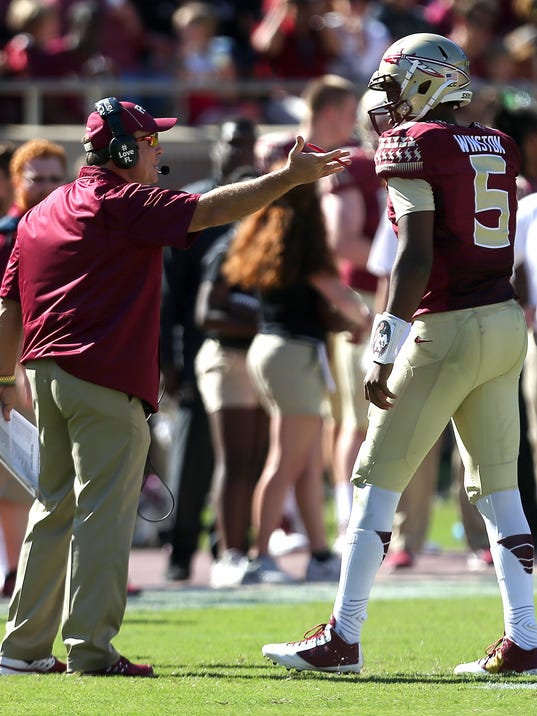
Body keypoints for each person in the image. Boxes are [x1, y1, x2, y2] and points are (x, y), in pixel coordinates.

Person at [0, 96, 349, 677]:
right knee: (102, 513)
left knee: (53, 509)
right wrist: (287, 178)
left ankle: (22, 647)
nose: (155, 151)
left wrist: (5, 378)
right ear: (119, 149)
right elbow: (209, 211)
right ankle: (91, 649)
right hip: (101, 375)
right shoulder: (120, 201)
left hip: (45, 376)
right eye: (148, 142)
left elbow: (8, 304)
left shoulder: (43, 211)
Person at [262, 33, 537, 676]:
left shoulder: (413, 144)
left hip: (447, 325)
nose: (384, 94)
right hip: (502, 324)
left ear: (430, 81)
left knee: (373, 480)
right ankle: (525, 638)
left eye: (395, 80)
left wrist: (385, 340)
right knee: (502, 492)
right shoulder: (499, 143)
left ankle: (342, 637)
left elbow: (414, 253)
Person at [222, 174, 370, 584]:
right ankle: (259, 556)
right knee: (285, 461)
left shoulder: (274, 240)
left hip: (274, 351)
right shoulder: (304, 246)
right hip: (291, 355)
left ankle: (319, 554)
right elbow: (340, 294)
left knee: (303, 463)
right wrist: (371, 318)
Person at [160, 117, 259, 583]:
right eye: (232, 142)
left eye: (247, 144)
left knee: (244, 454)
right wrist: (170, 359)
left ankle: (230, 544)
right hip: (202, 347)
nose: (240, 152)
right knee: (193, 452)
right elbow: (170, 294)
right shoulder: (191, 205)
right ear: (216, 148)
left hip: (254, 349)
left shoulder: (260, 202)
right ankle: (180, 549)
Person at [0, 139, 67, 599]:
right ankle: (17, 571)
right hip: (18, 365)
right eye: (35, 177)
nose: (44, 187)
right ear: (16, 181)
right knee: (19, 475)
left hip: (58, 365)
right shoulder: (9, 232)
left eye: (53, 178)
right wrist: (9, 369)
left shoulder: (74, 227)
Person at [194, 178, 269, 587]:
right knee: (234, 460)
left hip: (255, 361)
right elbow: (206, 314)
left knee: (255, 461)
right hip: (227, 358)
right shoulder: (226, 249)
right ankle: (228, 553)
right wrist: (259, 323)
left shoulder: (268, 251)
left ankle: (247, 550)